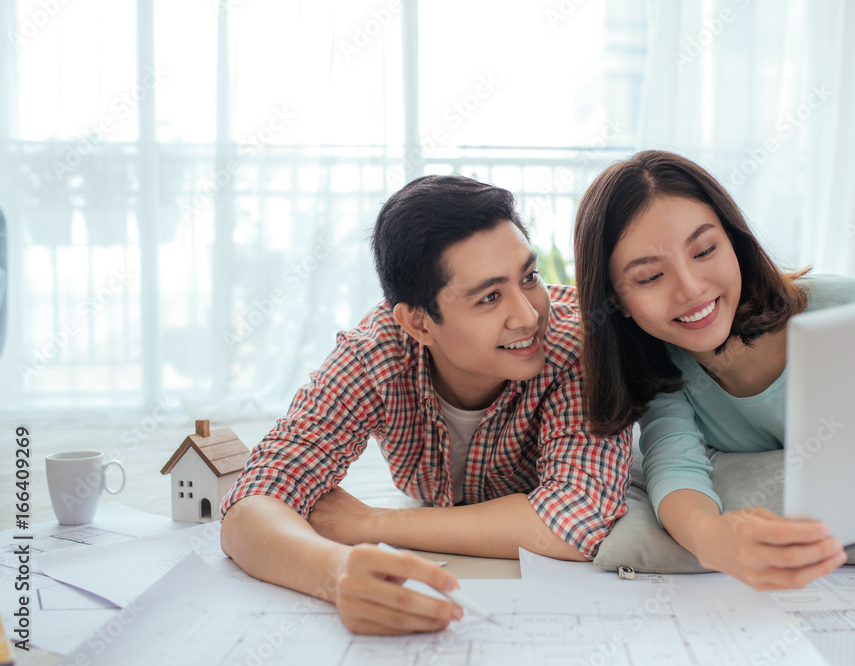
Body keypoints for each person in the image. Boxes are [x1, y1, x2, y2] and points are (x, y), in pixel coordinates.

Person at [219, 175, 631, 635]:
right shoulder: (376, 354)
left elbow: (576, 520)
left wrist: (369, 523)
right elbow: (251, 503)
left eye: (529, 278)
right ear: (417, 322)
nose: (530, 315)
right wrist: (336, 572)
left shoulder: (574, 345)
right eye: (490, 297)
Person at [573, 149, 855, 591]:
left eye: (704, 250)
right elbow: (672, 463)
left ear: (734, 241)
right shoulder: (658, 364)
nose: (691, 288)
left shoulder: (847, 307)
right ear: (617, 300)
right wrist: (711, 538)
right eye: (648, 277)